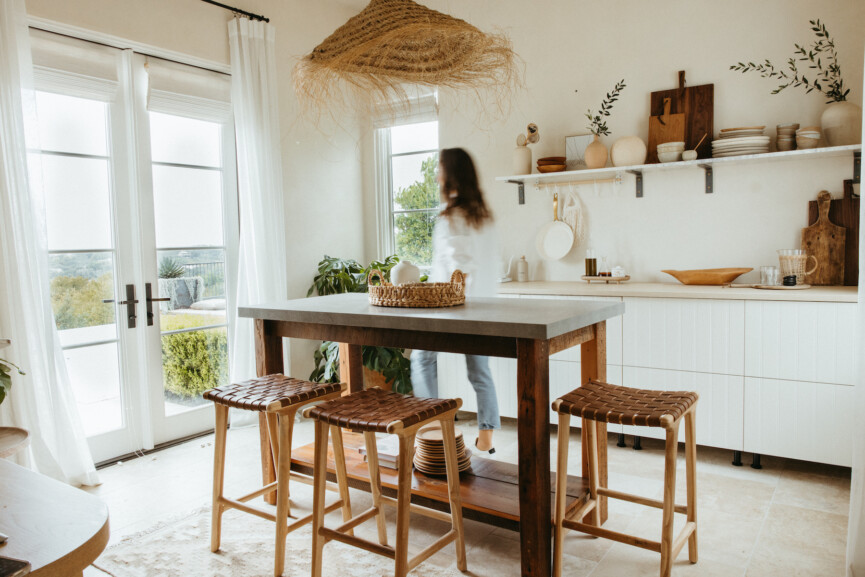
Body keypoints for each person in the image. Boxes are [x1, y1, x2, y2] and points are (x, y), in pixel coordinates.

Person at [411, 148, 500, 453]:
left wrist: (448, 301)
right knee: (480, 371)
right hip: (485, 308)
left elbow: (459, 267)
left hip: (455, 309)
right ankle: (486, 436)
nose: (436, 174)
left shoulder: (452, 216)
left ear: (451, 174)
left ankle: (433, 425)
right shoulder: (484, 216)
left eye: (439, 168)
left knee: (421, 358)